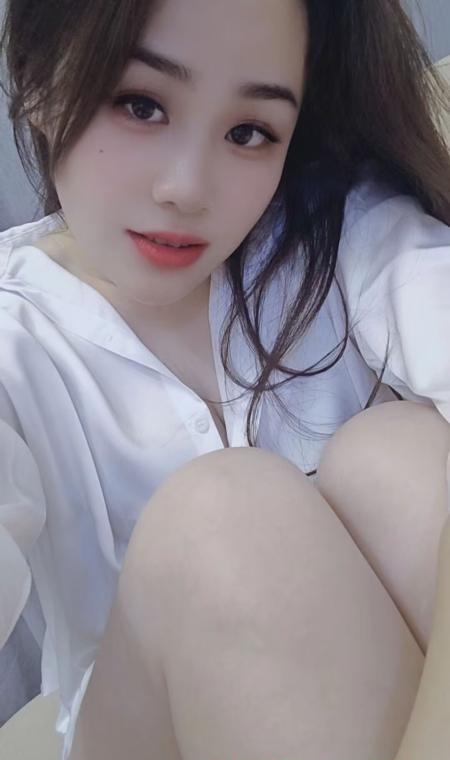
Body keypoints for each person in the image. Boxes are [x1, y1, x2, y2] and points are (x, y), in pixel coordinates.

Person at [1, 0, 450, 758]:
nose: (187, 187)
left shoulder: (342, 235)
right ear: (41, 84)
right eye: (140, 104)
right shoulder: (18, 331)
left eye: (249, 132)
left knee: (401, 458)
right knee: (222, 515)